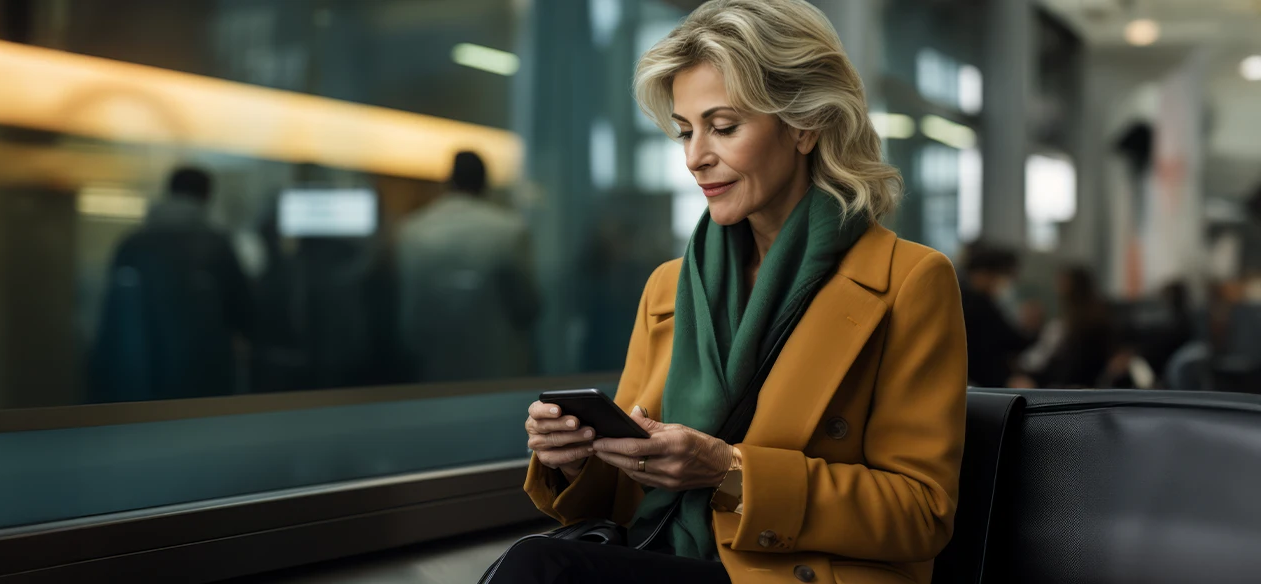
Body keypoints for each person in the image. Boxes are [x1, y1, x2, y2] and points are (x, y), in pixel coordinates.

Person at [507, 1, 968, 582]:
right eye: (685, 131)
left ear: (805, 125)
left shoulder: (909, 281)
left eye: (723, 127)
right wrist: (572, 459)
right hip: (666, 555)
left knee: (539, 565)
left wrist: (727, 470)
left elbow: (921, 514)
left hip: (790, 572)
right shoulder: (669, 287)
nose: (696, 157)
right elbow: (627, 496)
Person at [89, 167, 257, 402]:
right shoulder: (215, 246)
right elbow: (244, 313)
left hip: (138, 374)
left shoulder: (132, 244)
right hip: (202, 378)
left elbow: (112, 318)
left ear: (169, 192)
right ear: (207, 197)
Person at [395, 151, 540, 382]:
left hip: (432, 368)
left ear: (449, 180)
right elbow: (527, 305)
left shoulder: (413, 230)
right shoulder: (508, 230)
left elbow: (407, 313)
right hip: (497, 366)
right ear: (485, 182)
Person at [959, 244, 1036, 388]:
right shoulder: (978, 303)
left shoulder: (967, 297)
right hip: (983, 383)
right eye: (1000, 276)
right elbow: (1010, 340)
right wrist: (1032, 328)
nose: (1002, 283)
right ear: (985, 274)